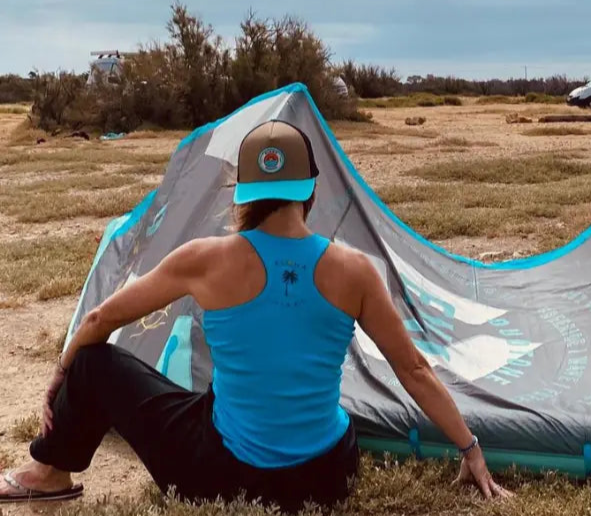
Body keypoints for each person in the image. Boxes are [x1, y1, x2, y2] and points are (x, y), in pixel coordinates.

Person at [0, 119, 513, 510]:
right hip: (324, 482)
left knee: (97, 363)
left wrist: (62, 372)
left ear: (243, 194)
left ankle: (51, 474)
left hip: (221, 476)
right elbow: (414, 370)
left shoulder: (204, 259)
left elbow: (96, 324)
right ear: (311, 189)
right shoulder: (355, 270)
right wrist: (470, 448)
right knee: (316, 413)